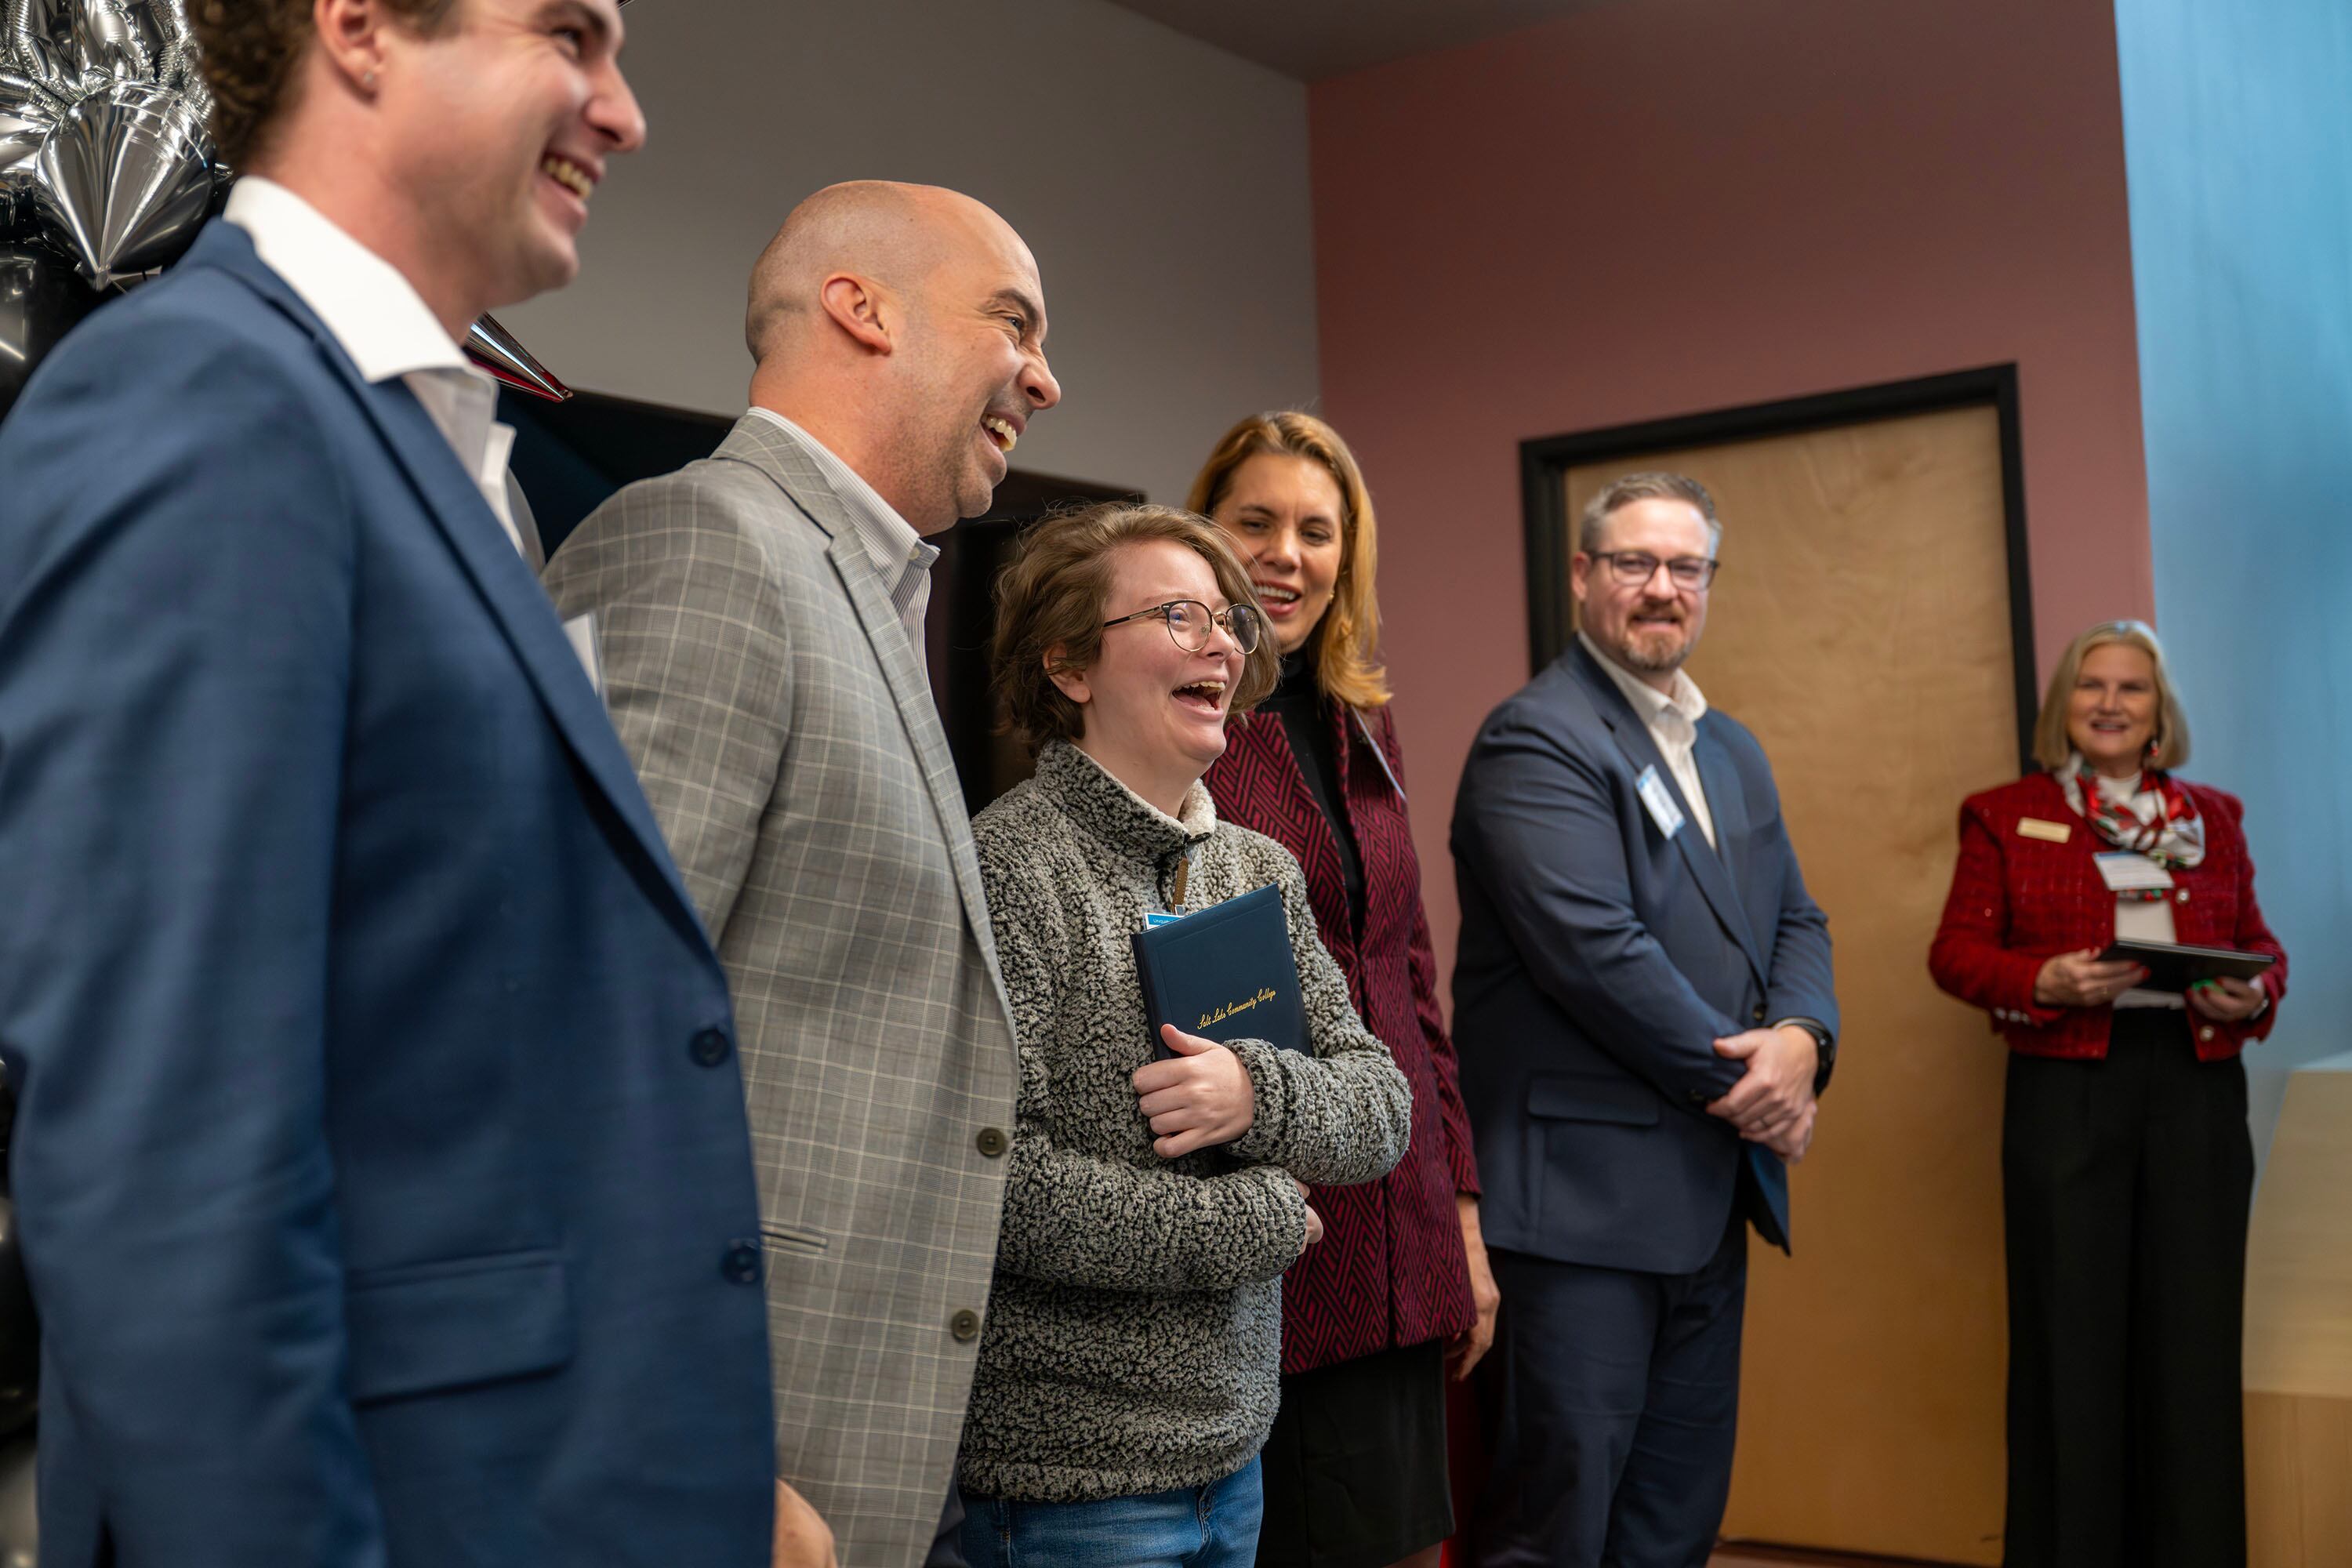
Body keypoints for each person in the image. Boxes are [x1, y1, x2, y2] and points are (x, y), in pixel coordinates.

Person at [0, 2, 779, 1564]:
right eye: (572, 34)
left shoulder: (423, 442)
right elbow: (165, 1167)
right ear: (357, 25)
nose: (620, 113)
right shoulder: (198, 400)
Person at [541, 180, 1058, 1568]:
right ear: (861, 308)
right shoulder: (701, 545)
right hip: (744, 1466)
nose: (1045, 377)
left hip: (877, 1445)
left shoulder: (871, 596)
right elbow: (574, 1033)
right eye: (1014, 321)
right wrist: (689, 1437)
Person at [958, 503, 1414, 1568]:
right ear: (1069, 664)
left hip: (1236, 1459)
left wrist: (1259, 1094)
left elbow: (1381, 1106)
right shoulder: (1008, 871)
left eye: (1228, 623)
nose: (1223, 643)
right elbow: (996, 1185)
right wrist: (1255, 1221)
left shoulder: (1257, 868)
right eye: (1177, 616)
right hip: (1071, 1489)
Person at [1449, 472, 1838, 1568]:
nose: (1661, 588)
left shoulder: (1732, 749)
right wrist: (1753, 1086)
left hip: (1709, 1201)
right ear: (1583, 576)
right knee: (1556, 1527)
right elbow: (1596, 956)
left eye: (1685, 567)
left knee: (1673, 1525)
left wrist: (1804, 1044)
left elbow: (1796, 920)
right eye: (1634, 563)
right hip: (1580, 1218)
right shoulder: (1535, 741)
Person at [1189, 412, 1496, 1568]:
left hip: (1398, 1232)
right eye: (1255, 521)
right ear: (1201, 532)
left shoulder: (1363, 724)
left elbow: (1411, 980)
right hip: (1265, 1231)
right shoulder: (1189, 721)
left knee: (1411, 1544)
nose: (1286, 555)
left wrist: (1462, 1219)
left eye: (1317, 531)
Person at [1928, 619, 2283, 1568]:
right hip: (2066, 1090)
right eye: (2093, 685)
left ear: (2160, 709)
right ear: (2064, 704)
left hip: (2198, 1096)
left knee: (2194, 1344)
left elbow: (2262, 943)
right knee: (2071, 1341)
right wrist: (2041, 982)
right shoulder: (2005, 814)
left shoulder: (2218, 815)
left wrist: (2255, 990)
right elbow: (1957, 952)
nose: (2112, 703)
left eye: (2133, 688)